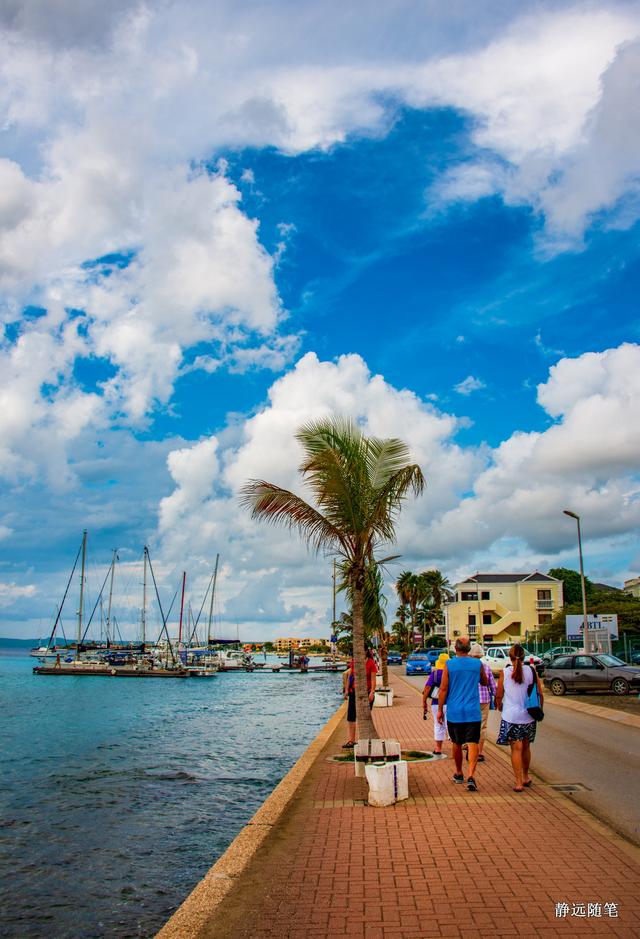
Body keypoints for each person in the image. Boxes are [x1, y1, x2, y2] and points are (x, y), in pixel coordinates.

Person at [437, 637, 487, 791]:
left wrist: (439, 710)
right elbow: (484, 682)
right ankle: (471, 776)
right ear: (469, 649)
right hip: (473, 710)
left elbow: (443, 688)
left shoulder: (449, 664)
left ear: (456, 649)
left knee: (457, 743)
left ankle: (459, 773)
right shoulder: (477, 664)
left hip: (455, 711)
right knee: (473, 743)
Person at [495, 643, 543, 791]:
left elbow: (499, 694)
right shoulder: (531, 670)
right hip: (528, 715)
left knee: (516, 748)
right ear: (524, 657)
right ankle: (526, 776)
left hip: (511, 716)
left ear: (510, 657)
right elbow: (539, 693)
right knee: (526, 746)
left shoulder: (505, 672)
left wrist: (500, 706)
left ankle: (518, 782)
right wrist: (540, 710)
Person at [469, 642, 496, 762]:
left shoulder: (467, 668)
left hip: (470, 700)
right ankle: (479, 752)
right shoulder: (486, 667)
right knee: (482, 726)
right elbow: (492, 686)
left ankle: (470, 748)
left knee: (470, 725)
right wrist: (497, 698)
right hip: (484, 700)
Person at [422, 652, 449, 756]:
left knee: (438, 725)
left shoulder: (435, 674)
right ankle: (456, 747)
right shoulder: (451, 673)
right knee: (451, 725)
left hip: (436, 704)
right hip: (450, 703)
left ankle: (438, 748)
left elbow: (427, 688)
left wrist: (424, 701)